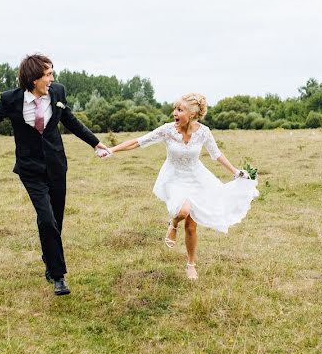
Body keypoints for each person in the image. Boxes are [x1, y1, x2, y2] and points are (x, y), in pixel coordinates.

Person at [0, 54, 110, 296]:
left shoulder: (58, 93)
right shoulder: (11, 99)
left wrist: (95, 144)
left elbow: (71, 121)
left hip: (56, 165)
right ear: (34, 79)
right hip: (30, 169)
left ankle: (49, 256)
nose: (53, 79)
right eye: (48, 75)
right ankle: (58, 276)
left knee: (56, 219)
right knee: (46, 218)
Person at [103, 93, 258, 279]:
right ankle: (174, 223)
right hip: (174, 178)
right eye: (175, 109)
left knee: (192, 226)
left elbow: (216, 154)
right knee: (184, 211)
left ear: (192, 114)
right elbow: (139, 141)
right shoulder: (167, 130)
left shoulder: (203, 132)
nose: (174, 113)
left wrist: (235, 171)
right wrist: (112, 150)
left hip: (197, 179)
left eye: (179, 110)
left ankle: (191, 264)